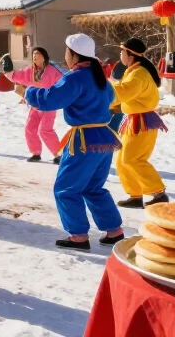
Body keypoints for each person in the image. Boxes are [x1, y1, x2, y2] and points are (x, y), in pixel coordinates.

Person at [25, 34, 124, 251]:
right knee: (93, 186)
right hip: (104, 137)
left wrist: (29, 92)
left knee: (66, 188)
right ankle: (113, 230)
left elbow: (51, 99)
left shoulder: (75, 77)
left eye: (66, 52)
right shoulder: (100, 78)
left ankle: (78, 236)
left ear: (73, 54)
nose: (65, 56)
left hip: (84, 139)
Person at [112, 38, 169, 208]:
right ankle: (135, 195)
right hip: (133, 120)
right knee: (122, 160)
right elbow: (121, 94)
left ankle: (158, 193)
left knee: (133, 158)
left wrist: (103, 89)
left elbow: (122, 92)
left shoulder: (139, 74)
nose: (120, 55)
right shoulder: (132, 71)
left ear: (130, 55)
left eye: (122, 52)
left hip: (142, 121)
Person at [8, 46, 64, 163]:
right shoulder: (30, 70)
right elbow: (19, 76)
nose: (34, 56)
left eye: (37, 54)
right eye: (33, 54)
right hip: (35, 106)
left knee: (45, 130)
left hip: (49, 106)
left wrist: (59, 97)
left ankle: (59, 154)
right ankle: (36, 153)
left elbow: (62, 83)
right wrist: (8, 72)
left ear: (44, 57)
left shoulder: (52, 70)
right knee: (30, 128)